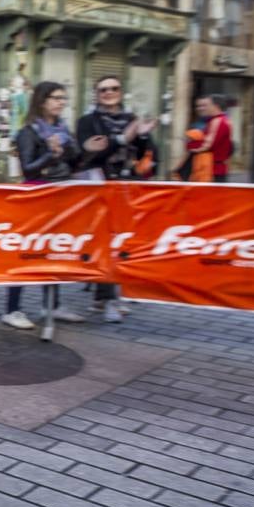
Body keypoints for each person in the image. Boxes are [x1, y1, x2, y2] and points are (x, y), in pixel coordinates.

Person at [1, 81, 107, 331]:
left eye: (63, 98)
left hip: (61, 199)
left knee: (55, 252)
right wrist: (51, 154)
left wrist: (88, 151)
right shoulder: (29, 131)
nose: (61, 102)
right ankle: (11, 309)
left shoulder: (62, 129)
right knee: (26, 254)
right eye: (56, 98)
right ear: (42, 101)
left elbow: (75, 165)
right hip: (36, 200)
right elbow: (28, 168)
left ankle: (52, 305)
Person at [76, 76, 157, 323]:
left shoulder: (131, 119)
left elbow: (147, 152)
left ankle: (104, 297)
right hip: (98, 187)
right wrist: (121, 140)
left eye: (114, 88)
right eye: (103, 90)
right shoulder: (87, 121)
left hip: (127, 185)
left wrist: (141, 136)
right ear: (96, 94)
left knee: (119, 242)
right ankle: (109, 299)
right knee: (103, 242)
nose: (109, 93)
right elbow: (87, 152)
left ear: (121, 92)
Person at [187, 94, 234, 183]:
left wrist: (190, 145)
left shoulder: (218, 121)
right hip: (213, 169)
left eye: (207, 105)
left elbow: (207, 145)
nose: (205, 108)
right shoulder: (219, 120)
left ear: (215, 106)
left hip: (212, 170)